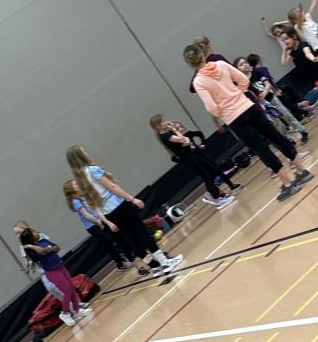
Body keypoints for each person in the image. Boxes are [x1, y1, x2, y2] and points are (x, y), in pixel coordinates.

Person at [185, 45, 313, 201]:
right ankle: (302, 171)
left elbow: (212, 108)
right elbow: (244, 80)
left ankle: (288, 183)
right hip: (249, 107)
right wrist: (237, 95)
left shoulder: (199, 81)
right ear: (203, 54)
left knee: (261, 148)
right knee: (276, 136)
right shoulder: (221, 64)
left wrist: (223, 109)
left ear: (189, 63)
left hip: (234, 118)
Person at [65, 146, 183, 277]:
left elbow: (92, 203)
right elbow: (112, 186)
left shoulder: (79, 180)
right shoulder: (92, 170)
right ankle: (165, 262)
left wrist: (106, 220)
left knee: (132, 239)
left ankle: (155, 267)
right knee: (141, 232)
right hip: (119, 206)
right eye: (83, 151)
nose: (86, 152)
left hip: (108, 213)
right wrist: (132, 199)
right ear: (81, 156)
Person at [150, 115, 239, 208]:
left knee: (208, 174)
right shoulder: (165, 136)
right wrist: (175, 130)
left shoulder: (168, 133)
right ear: (158, 126)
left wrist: (184, 139)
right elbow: (181, 139)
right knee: (206, 176)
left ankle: (214, 196)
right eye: (163, 121)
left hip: (191, 154)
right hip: (188, 158)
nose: (166, 122)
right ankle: (215, 198)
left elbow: (187, 140)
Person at [19, 226, 91, 327]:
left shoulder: (43, 241)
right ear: (30, 238)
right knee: (67, 290)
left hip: (60, 266)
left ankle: (77, 310)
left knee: (71, 288)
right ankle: (65, 313)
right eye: (34, 232)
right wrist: (33, 246)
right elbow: (42, 251)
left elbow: (57, 248)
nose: (37, 232)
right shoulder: (31, 250)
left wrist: (49, 249)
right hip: (52, 272)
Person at [62, 179, 133, 271]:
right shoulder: (75, 201)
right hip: (93, 226)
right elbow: (86, 215)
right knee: (109, 242)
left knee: (113, 240)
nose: (78, 184)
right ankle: (121, 262)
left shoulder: (81, 197)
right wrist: (98, 222)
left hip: (99, 221)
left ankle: (125, 258)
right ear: (71, 189)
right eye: (75, 184)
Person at [240, 55, 309, 144]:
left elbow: (267, 83)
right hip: (262, 104)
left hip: (271, 97)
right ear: (237, 69)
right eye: (241, 64)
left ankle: (302, 131)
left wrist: (265, 92)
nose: (245, 65)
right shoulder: (242, 82)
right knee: (277, 123)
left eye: (245, 62)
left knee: (286, 114)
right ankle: (288, 140)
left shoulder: (256, 72)